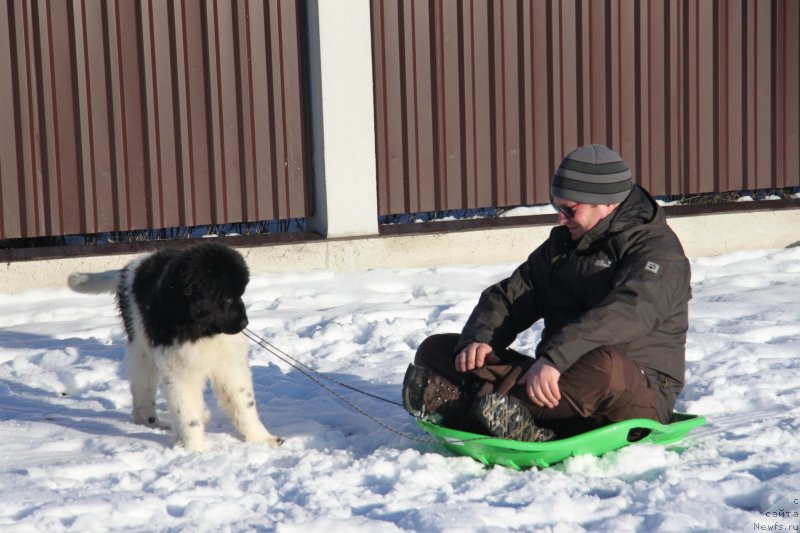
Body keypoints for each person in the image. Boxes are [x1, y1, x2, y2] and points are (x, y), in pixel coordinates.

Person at [402, 144, 692, 442]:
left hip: (633, 391)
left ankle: (472, 407)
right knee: (436, 350)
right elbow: (513, 294)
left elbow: (629, 312)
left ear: (607, 203)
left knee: (606, 365)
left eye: (569, 210)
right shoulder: (563, 245)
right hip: (557, 377)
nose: (560, 219)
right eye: (557, 208)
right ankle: (503, 412)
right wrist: (481, 339)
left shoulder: (657, 250)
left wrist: (556, 358)